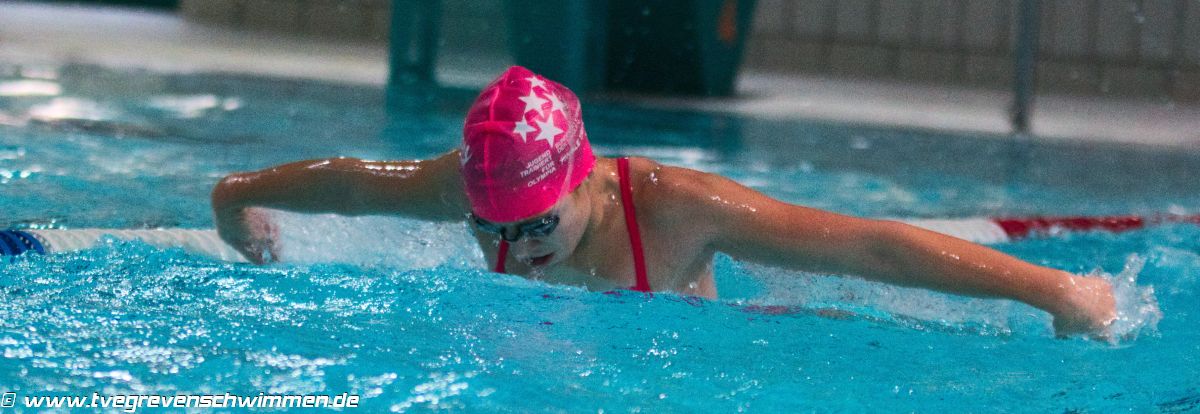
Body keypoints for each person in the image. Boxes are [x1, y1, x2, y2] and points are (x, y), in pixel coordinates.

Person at [211, 66, 1116, 338]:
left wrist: (1055, 291)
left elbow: (867, 247)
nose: (515, 244)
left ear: (583, 177)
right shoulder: (477, 187)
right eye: (489, 226)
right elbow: (352, 182)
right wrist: (234, 199)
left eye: (537, 223)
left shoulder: (679, 209)